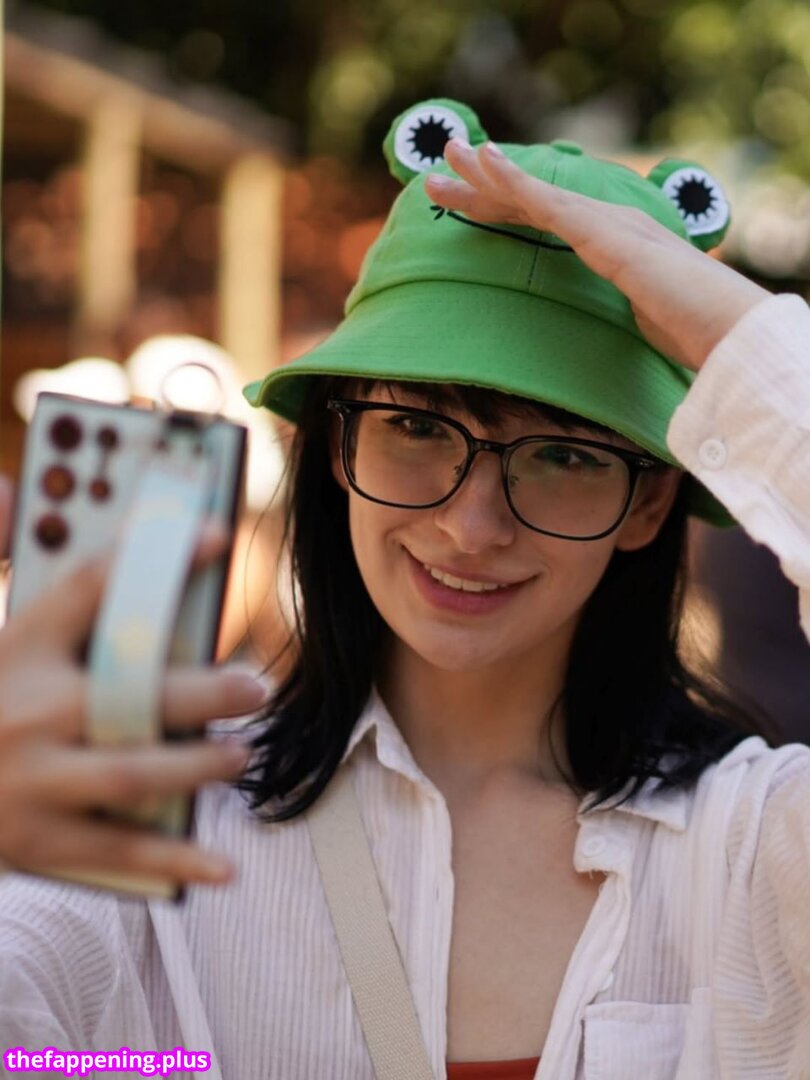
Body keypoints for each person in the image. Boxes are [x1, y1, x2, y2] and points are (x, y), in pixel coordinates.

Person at [0, 98, 809, 1079]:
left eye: (562, 454)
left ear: (648, 503)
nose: (472, 527)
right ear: (337, 443)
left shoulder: (754, 847)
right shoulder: (146, 810)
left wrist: (740, 334)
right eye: (419, 429)